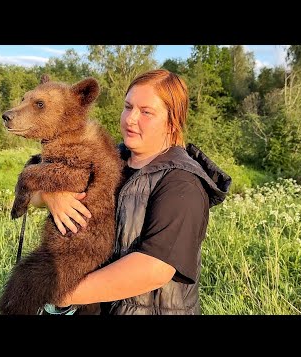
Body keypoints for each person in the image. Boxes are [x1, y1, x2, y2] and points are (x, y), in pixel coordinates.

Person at [28, 69, 231, 315]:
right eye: (128, 107)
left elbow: (153, 269)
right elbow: (36, 181)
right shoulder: (110, 159)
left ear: (172, 120)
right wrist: (52, 196)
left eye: (146, 112)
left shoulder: (181, 183)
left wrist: (60, 293)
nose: (130, 119)